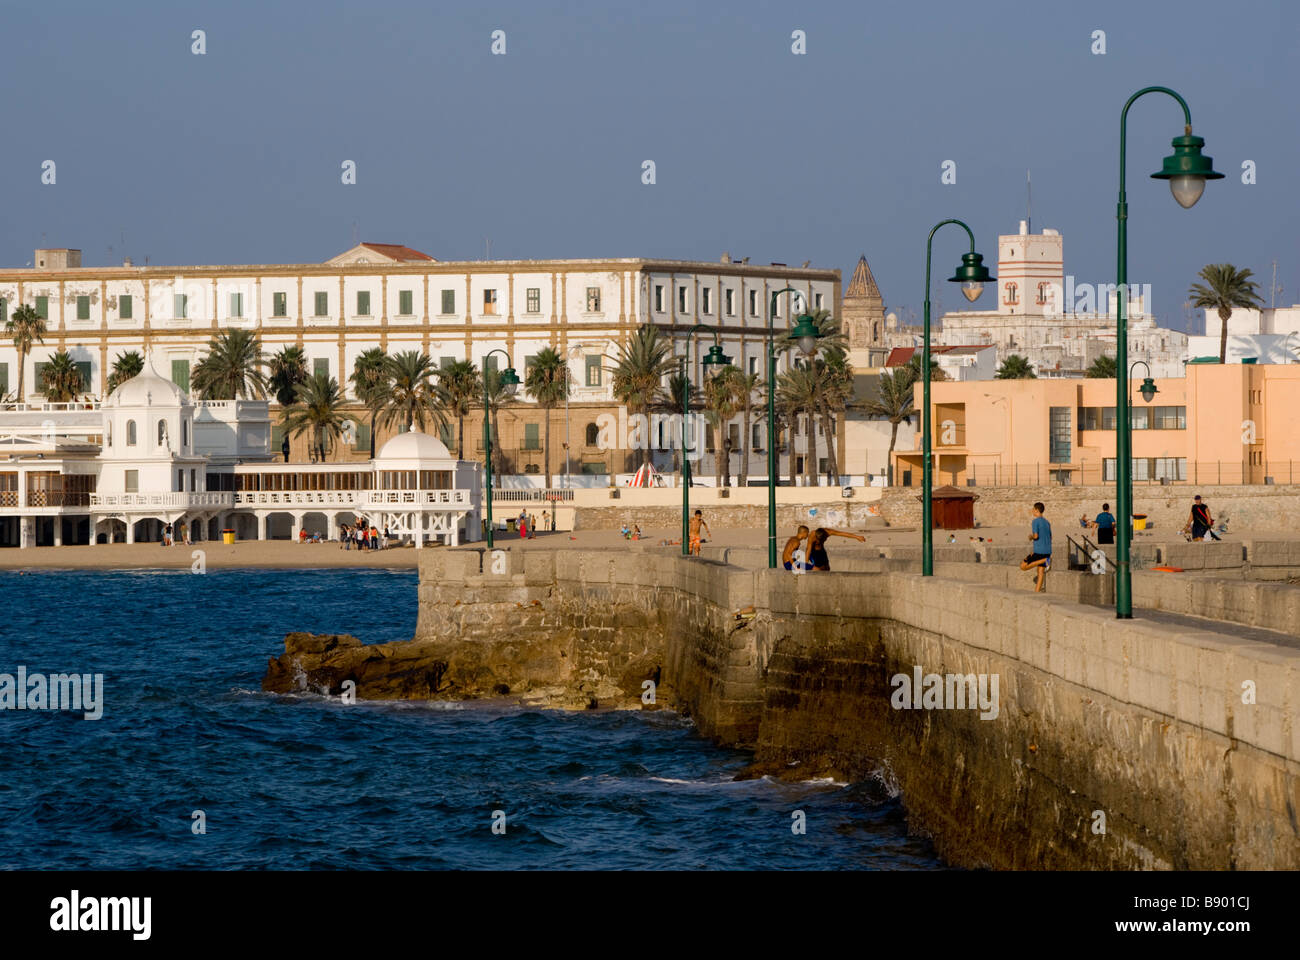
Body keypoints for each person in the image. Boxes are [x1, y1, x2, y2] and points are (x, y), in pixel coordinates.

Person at [1019, 501, 1052, 592]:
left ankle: (1045, 560)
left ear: (1037, 510)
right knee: (1040, 572)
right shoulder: (1047, 522)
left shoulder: (1035, 521)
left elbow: (1036, 536)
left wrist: (1031, 537)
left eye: (1033, 509)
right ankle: (1036, 593)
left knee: (1023, 566)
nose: (1032, 511)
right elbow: (1050, 537)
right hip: (1048, 551)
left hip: (1039, 551)